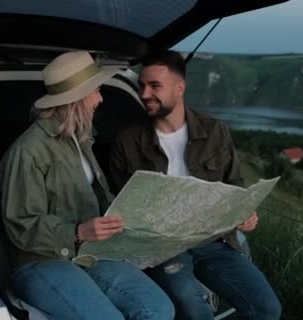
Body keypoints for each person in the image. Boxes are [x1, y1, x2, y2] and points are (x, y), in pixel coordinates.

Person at [0, 51, 174, 320]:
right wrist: (77, 232)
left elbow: (97, 199)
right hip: (38, 262)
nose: (100, 99)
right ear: (77, 97)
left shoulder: (79, 140)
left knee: (159, 309)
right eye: (97, 90)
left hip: (87, 254)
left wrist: (132, 214)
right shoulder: (28, 152)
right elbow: (20, 226)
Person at [109, 50, 282, 320]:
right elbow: (119, 207)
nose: (144, 94)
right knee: (194, 310)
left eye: (155, 86)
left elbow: (235, 186)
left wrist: (246, 215)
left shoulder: (215, 131)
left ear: (180, 88)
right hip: (161, 246)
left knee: (267, 308)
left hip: (212, 240)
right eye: (142, 85)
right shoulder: (127, 141)